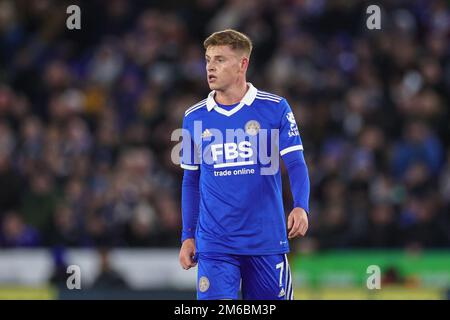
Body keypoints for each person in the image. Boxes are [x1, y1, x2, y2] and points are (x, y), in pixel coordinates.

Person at [178, 29, 310, 300]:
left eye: (220, 60)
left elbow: (296, 163)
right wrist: (187, 235)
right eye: (207, 60)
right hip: (215, 245)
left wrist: (301, 206)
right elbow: (190, 180)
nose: (210, 67)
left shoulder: (275, 108)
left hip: (266, 241)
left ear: (242, 65)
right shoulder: (194, 117)